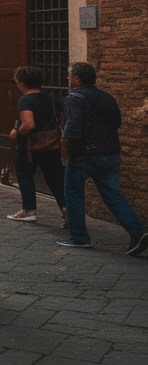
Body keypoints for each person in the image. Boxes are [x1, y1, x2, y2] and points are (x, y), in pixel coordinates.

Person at [59, 62, 147, 254]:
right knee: (113, 195)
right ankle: (137, 232)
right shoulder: (107, 97)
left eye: (69, 76)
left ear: (77, 79)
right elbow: (116, 122)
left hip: (84, 155)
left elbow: (72, 129)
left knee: (73, 193)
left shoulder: (74, 99)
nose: (68, 79)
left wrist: (70, 155)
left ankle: (79, 237)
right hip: (110, 153)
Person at [7, 66, 67, 225]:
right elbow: (62, 122)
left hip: (29, 147)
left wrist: (16, 133)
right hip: (51, 145)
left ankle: (29, 210)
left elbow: (29, 125)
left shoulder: (25, 100)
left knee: (24, 174)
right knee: (56, 178)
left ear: (21, 83)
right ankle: (66, 210)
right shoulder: (53, 99)